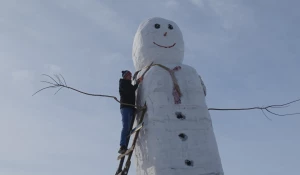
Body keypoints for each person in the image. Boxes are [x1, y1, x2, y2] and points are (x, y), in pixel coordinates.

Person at [118, 70, 143, 154]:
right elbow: (130, 90)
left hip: (130, 107)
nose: (130, 76)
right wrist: (138, 82)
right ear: (125, 76)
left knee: (128, 128)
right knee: (125, 126)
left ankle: (125, 146)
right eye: (129, 75)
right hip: (125, 107)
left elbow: (131, 92)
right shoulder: (123, 83)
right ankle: (122, 146)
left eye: (131, 75)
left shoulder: (128, 84)